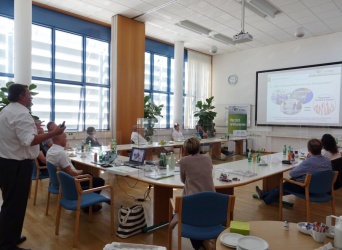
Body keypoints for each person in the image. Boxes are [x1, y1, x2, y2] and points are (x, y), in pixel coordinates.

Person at [0, 83, 65, 250]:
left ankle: (10, 237)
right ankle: (7, 244)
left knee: (11, 203)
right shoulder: (21, 114)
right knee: (14, 204)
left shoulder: (6, 111)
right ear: (21, 96)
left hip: (7, 163)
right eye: (29, 94)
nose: (31, 97)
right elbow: (29, 141)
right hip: (17, 166)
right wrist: (54, 133)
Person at [255, 139, 332, 205]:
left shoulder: (309, 162)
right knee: (285, 185)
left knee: (284, 185)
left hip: (307, 188)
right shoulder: (327, 161)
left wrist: (306, 160)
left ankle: (266, 200)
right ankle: (265, 194)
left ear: (308, 149)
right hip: (322, 188)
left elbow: (292, 173)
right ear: (321, 149)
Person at [174, 137, 215, 250]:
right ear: (199, 147)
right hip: (212, 201)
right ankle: (205, 241)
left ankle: (200, 246)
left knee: (191, 216)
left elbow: (183, 180)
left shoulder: (183, 161)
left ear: (186, 149)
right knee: (201, 213)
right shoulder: (207, 158)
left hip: (193, 203)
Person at [46, 133, 105, 212]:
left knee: (90, 175)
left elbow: (67, 170)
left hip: (58, 180)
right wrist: (80, 171)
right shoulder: (61, 153)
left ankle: (86, 197)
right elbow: (71, 173)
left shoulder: (50, 150)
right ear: (60, 140)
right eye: (65, 138)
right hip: (70, 182)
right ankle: (88, 206)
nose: (66, 140)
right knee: (99, 181)